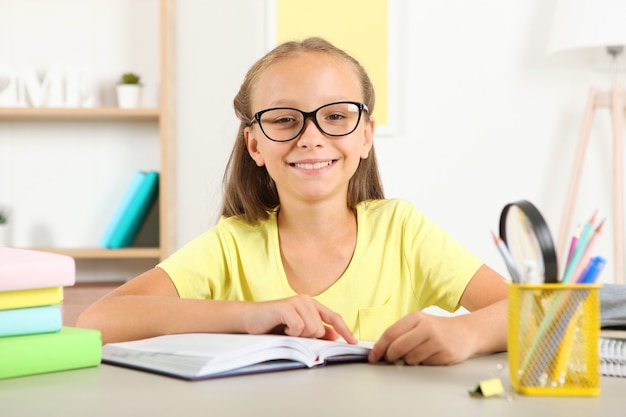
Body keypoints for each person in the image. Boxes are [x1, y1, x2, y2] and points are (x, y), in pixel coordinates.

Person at [78, 37, 508, 366]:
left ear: (365, 135)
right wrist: (245, 316)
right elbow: (98, 320)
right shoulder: (231, 245)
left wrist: (466, 333)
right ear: (254, 145)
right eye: (285, 119)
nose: (311, 137)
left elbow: (536, 312)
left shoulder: (402, 231)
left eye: (336, 116)